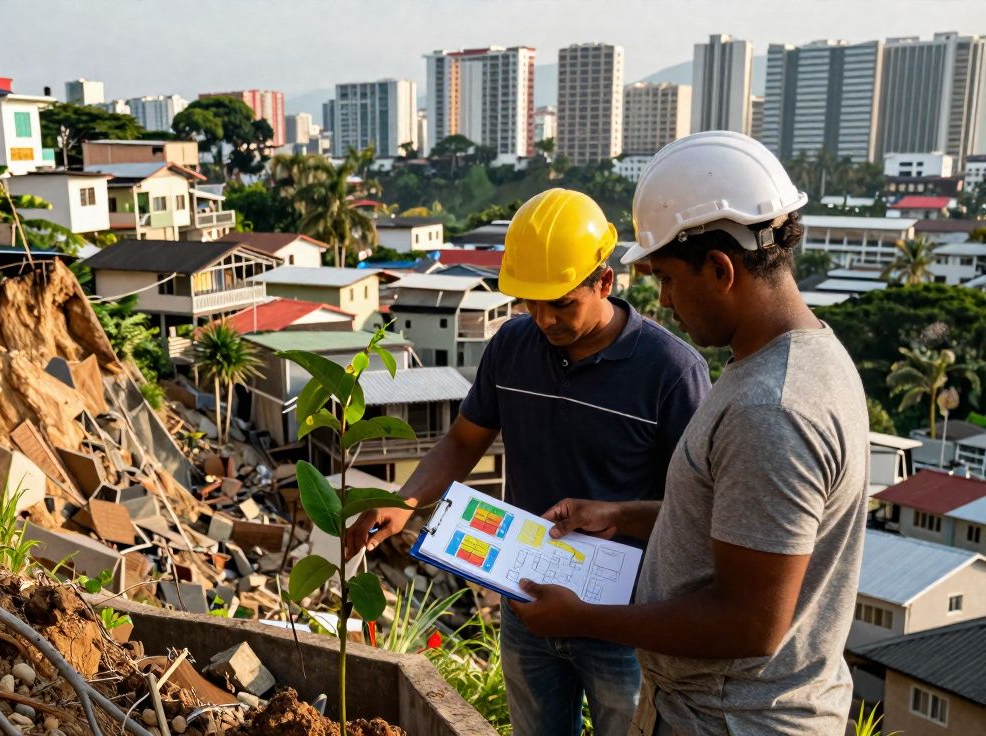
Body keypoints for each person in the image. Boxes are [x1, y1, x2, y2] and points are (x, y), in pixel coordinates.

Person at [507, 131, 869, 735]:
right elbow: (736, 526)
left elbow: (748, 623)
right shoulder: (807, 359)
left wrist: (584, 618)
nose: (665, 301)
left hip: (729, 719)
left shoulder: (770, 410)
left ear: (720, 269)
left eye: (668, 280)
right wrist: (620, 515)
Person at [345, 189, 710, 736]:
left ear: (604, 282)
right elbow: (463, 442)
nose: (543, 319)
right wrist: (405, 501)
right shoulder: (512, 347)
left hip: (622, 623)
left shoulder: (671, 372)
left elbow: (699, 512)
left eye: (561, 303)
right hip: (526, 602)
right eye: (529, 303)